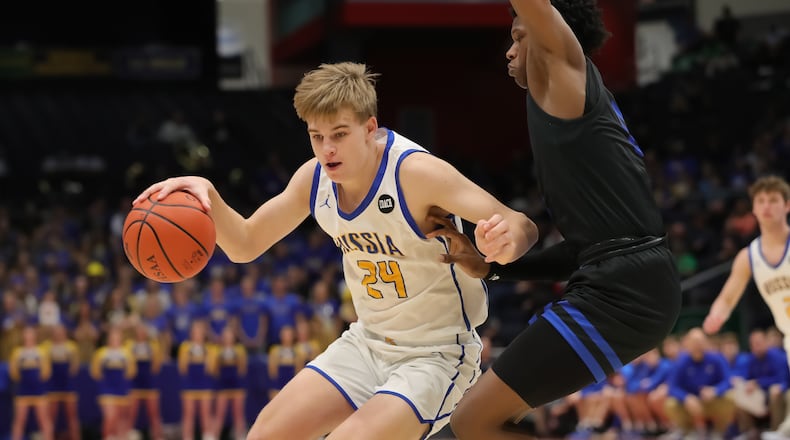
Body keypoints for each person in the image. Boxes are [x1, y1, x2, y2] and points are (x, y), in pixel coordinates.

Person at [134, 61, 538, 439]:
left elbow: (522, 224)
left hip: (434, 356)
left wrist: (505, 241)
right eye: (316, 136)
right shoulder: (314, 181)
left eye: (339, 135)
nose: (327, 149)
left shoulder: (415, 173)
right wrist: (208, 194)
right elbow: (244, 244)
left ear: (369, 128)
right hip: (366, 343)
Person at [426, 2, 681, 438]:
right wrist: (494, 268)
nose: (509, 50)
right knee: (472, 423)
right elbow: (588, 250)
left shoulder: (566, 76)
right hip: (621, 278)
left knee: (471, 422)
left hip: (626, 290)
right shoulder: (562, 106)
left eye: (519, 36)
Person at [703, 175, 790, 439]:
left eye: (773, 200)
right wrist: (717, 314)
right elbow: (728, 297)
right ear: (753, 208)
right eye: (760, 200)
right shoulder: (748, 256)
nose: (766, 206)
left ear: (787, 205)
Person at [9, 326, 54, 440]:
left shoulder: (41, 352)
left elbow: (47, 372)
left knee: (43, 419)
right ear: (23, 336)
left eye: (31, 333)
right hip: (23, 390)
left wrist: (37, 380)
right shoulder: (17, 352)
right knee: (19, 420)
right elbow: (13, 372)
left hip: (39, 391)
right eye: (26, 333)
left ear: (35, 336)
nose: (28, 336)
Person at [42, 324, 80, 440]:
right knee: (51, 416)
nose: (59, 334)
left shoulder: (72, 347)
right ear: (53, 333)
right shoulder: (46, 347)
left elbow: (75, 367)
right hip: (53, 386)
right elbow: (43, 365)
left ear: (65, 333)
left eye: (61, 332)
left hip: (68, 385)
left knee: (72, 417)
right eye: (56, 332)